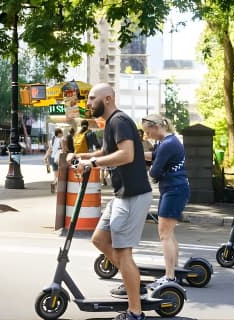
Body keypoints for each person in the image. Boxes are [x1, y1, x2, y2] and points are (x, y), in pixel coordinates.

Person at [70, 83, 152, 320]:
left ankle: (135, 312)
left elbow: (127, 155)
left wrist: (92, 165)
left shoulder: (119, 121)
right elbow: (105, 152)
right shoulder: (110, 124)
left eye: (92, 98)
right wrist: (80, 156)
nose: (88, 102)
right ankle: (133, 281)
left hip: (132, 196)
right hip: (121, 195)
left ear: (107, 99)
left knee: (122, 252)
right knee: (99, 239)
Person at [141, 114, 190, 286]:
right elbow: (155, 156)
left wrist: (149, 170)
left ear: (155, 127)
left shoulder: (168, 144)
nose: (147, 136)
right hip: (173, 189)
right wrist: (136, 153)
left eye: (148, 132)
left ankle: (169, 277)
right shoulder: (167, 142)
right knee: (168, 233)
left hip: (174, 190)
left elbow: (154, 171)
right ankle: (173, 270)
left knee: (165, 235)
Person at [44, 128, 63, 193]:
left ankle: (54, 185)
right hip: (59, 158)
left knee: (55, 175)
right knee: (60, 175)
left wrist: (45, 157)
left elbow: (49, 150)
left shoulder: (51, 140)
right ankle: (56, 187)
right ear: (59, 133)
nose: (62, 134)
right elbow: (63, 150)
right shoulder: (61, 140)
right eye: (61, 133)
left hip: (52, 158)